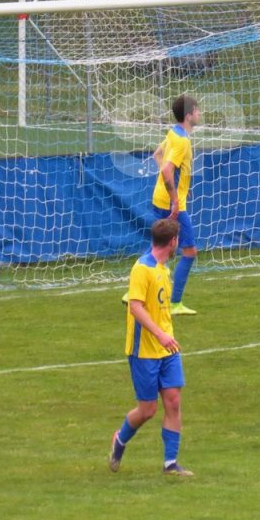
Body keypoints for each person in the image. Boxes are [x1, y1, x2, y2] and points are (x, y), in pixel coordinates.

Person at [109, 218, 193, 476]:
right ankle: (119, 440)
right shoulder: (142, 269)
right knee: (147, 409)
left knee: (174, 401)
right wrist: (159, 335)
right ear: (173, 242)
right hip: (143, 351)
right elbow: (135, 307)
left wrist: (166, 337)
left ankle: (170, 464)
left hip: (168, 349)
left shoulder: (163, 269)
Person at [149, 95, 201, 315]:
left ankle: (135, 287)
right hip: (171, 202)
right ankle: (174, 303)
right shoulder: (182, 141)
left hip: (159, 197)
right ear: (188, 116)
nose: (200, 114)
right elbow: (166, 169)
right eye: (197, 111)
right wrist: (175, 199)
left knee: (159, 247)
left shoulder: (173, 133)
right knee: (189, 251)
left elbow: (157, 155)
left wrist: (167, 189)